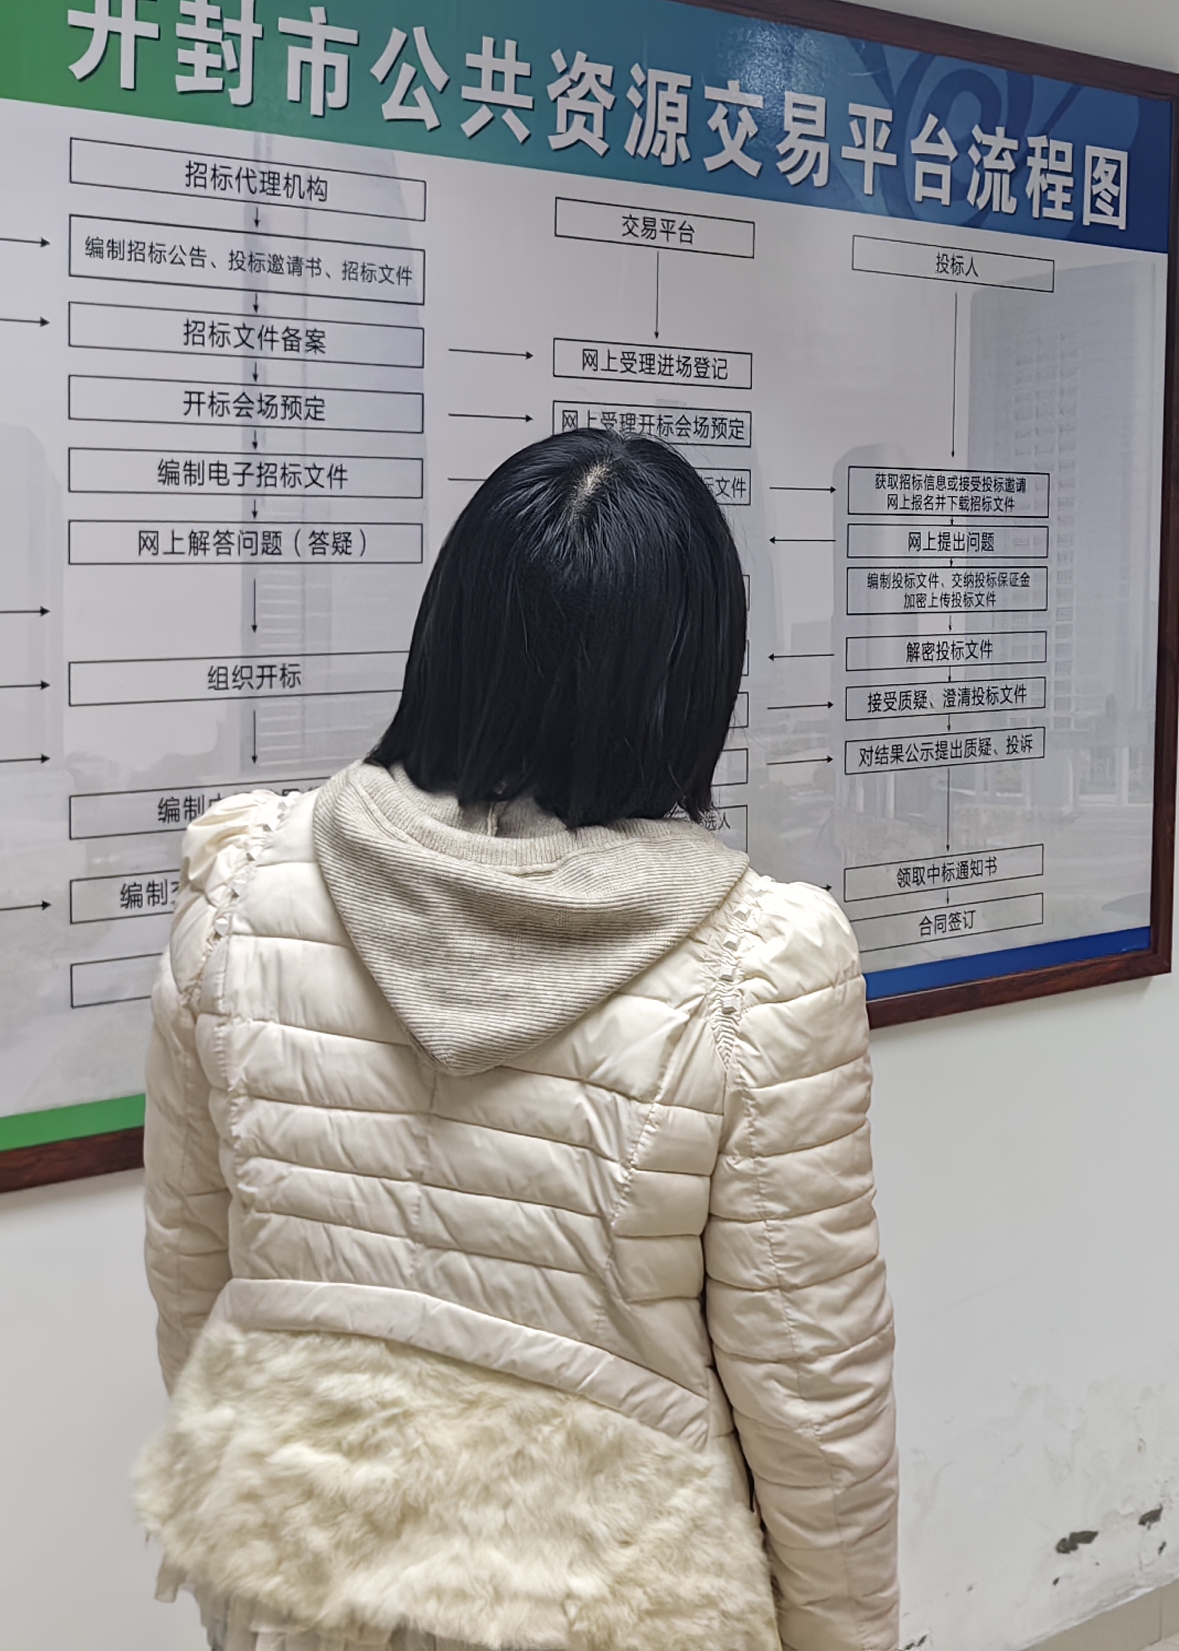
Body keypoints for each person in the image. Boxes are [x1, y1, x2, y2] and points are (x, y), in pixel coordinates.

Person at [132, 427, 897, 1651]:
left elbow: (193, 1276)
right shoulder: (763, 961)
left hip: (303, 1575)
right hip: (611, 1600)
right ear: (690, 673)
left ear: (451, 633)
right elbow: (810, 1389)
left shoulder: (242, 892)